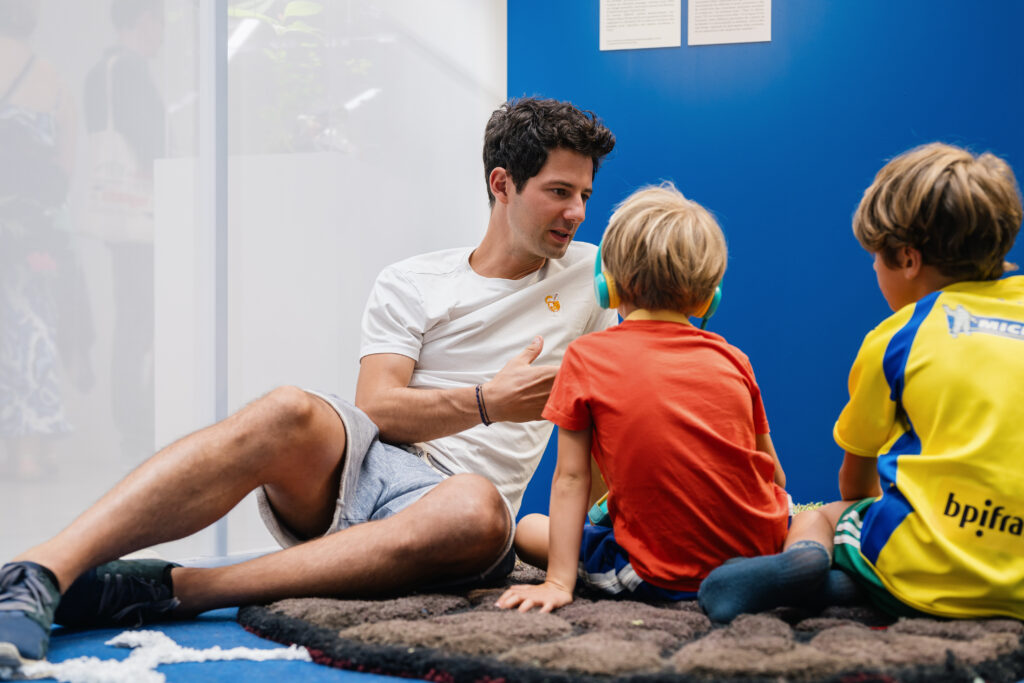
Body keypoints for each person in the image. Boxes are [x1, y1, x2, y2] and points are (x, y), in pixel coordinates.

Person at [0, 96, 617, 668]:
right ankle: (40, 570)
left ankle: (173, 588)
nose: (577, 212)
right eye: (559, 192)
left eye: (585, 194)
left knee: (477, 507)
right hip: (364, 465)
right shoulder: (413, 280)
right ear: (501, 184)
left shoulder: (591, 277)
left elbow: (616, 410)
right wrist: (487, 402)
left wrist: (600, 537)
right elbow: (375, 407)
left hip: (457, 506)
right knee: (286, 408)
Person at [697, 142, 1024, 623]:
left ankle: (808, 569)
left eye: (876, 257)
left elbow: (857, 478)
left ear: (909, 260)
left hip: (931, 572)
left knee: (825, 514)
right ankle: (851, 585)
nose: (873, 268)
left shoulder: (897, 336)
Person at [495, 183, 789, 613]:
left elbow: (572, 479)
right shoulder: (734, 359)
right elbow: (774, 478)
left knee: (529, 530)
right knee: (811, 519)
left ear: (607, 286)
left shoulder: (587, 357)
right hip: (755, 553)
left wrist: (558, 582)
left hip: (654, 574)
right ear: (710, 297)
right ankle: (787, 569)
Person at [0, 0, 88, 480]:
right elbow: (65, 167)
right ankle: (32, 451)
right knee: (32, 330)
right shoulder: (51, 78)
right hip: (32, 233)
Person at [82, 0, 166, 462]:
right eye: (159, 23)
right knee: (142, 317)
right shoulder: (129, 71)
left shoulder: (100, 72)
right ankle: (139, 422)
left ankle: (131, 421)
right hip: (140, 217)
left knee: (130, 315)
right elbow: (151, 141)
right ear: (143, 21)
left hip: (116, 216)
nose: (162, 35)